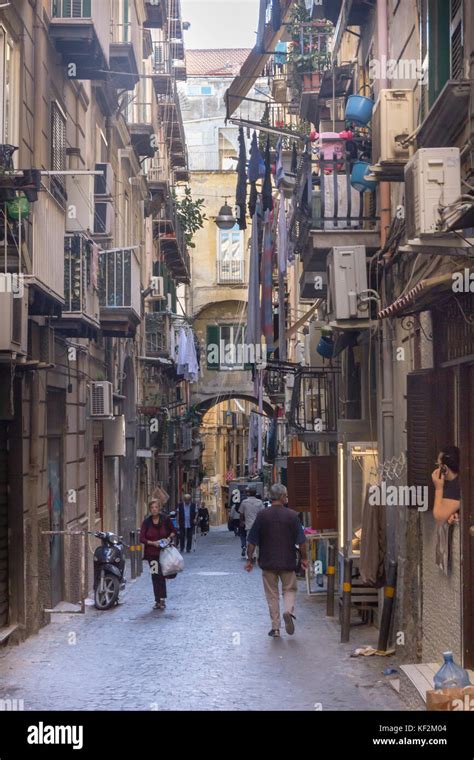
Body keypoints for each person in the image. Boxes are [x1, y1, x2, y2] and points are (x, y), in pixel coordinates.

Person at [245, 483, 308, 638]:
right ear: (282, 497)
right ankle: (287, 611)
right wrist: (304, 559)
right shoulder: (292, 516)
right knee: (290, 589)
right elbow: (302, 542)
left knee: (272, 594)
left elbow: (251, 541)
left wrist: (249, 560)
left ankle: (276, 628)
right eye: (286, 495)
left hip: (268, 562)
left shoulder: (262, 516)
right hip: (288, 561)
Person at [140, 499, 176, 610]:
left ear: (159, 508)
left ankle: (162, 599)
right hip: (152, 555)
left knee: (162, 576)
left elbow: (173, 531)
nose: (154, 509)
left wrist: (168, 538)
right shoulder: (146, 522)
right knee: (155, 576)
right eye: (152, 508)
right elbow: (142, 538)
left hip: (164, 553)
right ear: (150, 509)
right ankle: (157, 600)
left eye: (156, 507)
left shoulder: (165, 519)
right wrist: (152, 543)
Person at [431, 446, 461, 524]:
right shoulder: (460, 478)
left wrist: (438, 488)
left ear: (445, 469)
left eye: (439, 465)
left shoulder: (454, 488)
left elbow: (439, 517)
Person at [239, 487, 264, 558]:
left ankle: (250, 555)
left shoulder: (244, 502)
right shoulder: (259, 502)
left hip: (249, 524)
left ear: (248, 493)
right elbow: (262, 513)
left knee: (249, 539)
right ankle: (257, 554)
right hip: (258, 524)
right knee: (258, 540)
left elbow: (241, 513)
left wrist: (241, 522)